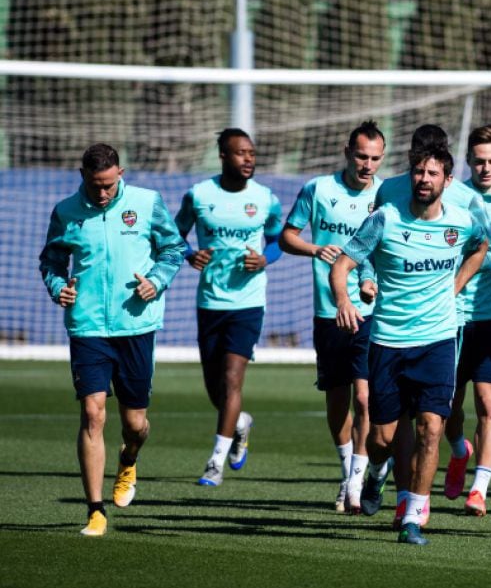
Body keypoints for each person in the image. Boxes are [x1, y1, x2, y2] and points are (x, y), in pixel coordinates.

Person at [331, 146, 491, 545]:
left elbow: (484, 246)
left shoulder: (461, 220)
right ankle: (376, 472)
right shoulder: (385, 218)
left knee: (431, 428)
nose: (424, 179)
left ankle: (414, 516)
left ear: (447, 181)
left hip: (437, 341)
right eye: (418, 171)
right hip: (388, 341)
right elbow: (342, 264)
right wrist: (344, 299)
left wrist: (456, 286)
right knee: (382, 439)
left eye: (432, 173)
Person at [40, 143, 185, 536]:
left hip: (135, 325)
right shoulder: (66, 212)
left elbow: (174, 248)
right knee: (92, 414)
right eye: (94, 185)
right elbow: (51, 260)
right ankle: (95, 510)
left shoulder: (147, 202)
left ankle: (129, 458)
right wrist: (58, 287)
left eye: (107, 184)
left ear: (120, 173)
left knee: (135, 424)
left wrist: (156, 282)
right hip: (87, 327)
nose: (101, 192)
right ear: (82, 177)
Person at [279, 121, 386, 512]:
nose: (367, 165)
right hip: (327, 312)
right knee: (338, 400)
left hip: (369, 311)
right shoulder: (318, 190)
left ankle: (356, 485)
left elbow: (381, 250)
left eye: (375, 158)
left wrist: (371, 282)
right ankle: (347, 473)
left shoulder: (385, 195)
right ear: (346, 151)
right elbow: (286, 236)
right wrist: (313, 248)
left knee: (364, 397)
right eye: (361, 156)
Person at [174, 128, 283, 487]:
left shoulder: (265, 198)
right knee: (214, 389)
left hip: (248, 302)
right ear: (223, 156)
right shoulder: (200, 195)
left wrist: (265, 259)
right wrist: (191, 254)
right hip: (209, 301)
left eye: (251, 152)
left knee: (233, 378)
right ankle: (240, 424)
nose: (248, 159)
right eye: (240, 153)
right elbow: (176, 234)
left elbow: (279, 239)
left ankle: (215, 462)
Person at [442, 125, 491, 517]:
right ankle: (459, 451)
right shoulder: (452, 198)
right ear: (468, 162)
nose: (486, 167)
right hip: (451, 315)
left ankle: (480, 488)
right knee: (446, 407)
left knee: (489, 404)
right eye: (479, 161)